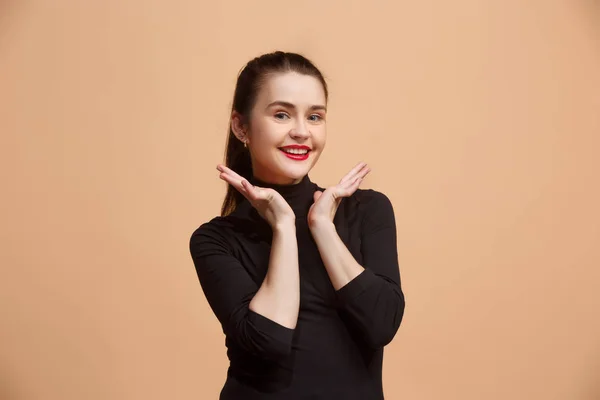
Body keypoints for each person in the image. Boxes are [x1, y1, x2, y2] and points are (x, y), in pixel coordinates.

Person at [189, 51, 405, 399]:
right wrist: (285, 228)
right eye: (282, 114)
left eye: (315, 116)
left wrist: (322, 227)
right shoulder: (216, 239)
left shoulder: (367, 210)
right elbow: (269, 340)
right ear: (241, 126)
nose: (302, 132)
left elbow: (381, 324)